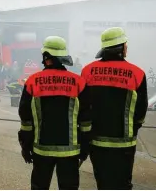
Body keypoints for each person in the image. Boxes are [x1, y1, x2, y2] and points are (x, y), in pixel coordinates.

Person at [18, 36, 92, 190]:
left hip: (41, 150)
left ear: (46, 57)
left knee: (39, 187)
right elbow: (86, 119)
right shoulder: (78, 82)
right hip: (70, 152)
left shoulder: (32, 82)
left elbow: (26, 119)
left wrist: (26, 146)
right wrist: (84, 148)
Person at [81, 27, 148, 190]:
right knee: (122, 184)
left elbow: (82, 106)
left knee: (103, 183)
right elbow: (141, 109)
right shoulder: (137, 73)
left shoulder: (87, 71)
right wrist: (135, 127)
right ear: (122, 47)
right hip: (124, 143)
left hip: (96, 141)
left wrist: (85, 133)